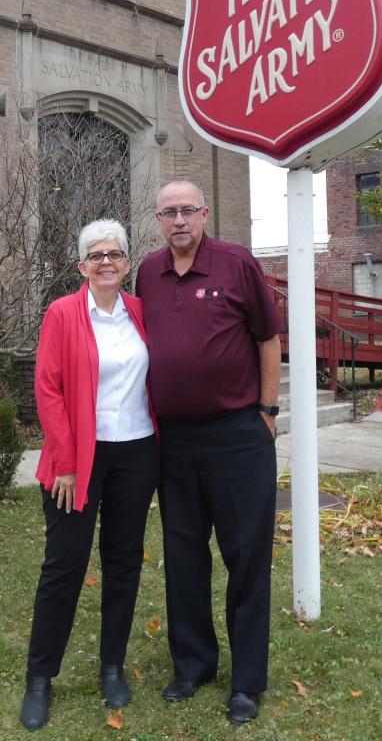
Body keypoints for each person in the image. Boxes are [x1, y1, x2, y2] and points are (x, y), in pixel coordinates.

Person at [134, 180, 284, 726]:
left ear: (204, 214)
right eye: (169, 212)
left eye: (188, 211)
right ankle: (193, 664)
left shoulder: (236, 263)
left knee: (246, 557)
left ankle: (246, 681)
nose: (179, 221)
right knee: (184, 555)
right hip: (173, 441)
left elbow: (268, 337)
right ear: (158, 219)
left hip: (237, 435)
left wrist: (268, 411)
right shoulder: (147, 272)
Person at [20, 219, 159, 732]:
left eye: (115, 254)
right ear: (82, 266)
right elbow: (48, 390)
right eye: (96, 255)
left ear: (126, 263)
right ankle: (40, 678)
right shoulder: (62, 314)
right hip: (77, 460)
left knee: (123, 563)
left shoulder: (140, 313)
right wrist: (67, 462)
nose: (106, 261)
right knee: (64, 567)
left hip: (137, 453)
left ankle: (112, 667)